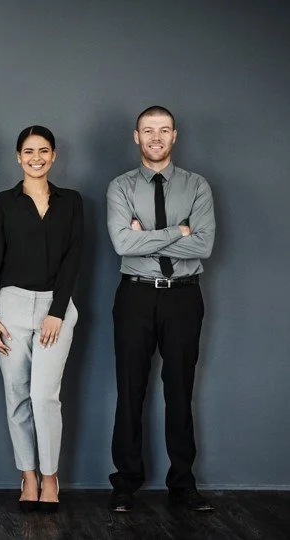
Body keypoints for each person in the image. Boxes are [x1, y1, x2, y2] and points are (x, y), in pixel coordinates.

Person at [107, 106, 216, 513]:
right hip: (135, 296)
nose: (156, 137)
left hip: (184, 296)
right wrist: (179, 231)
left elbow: (203, 245)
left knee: (180, 391)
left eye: (164, 130)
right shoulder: (120, 187)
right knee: (130, 390)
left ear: (175, 135)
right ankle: (125, 484)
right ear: (136, 136)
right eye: (148, 130)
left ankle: (183, 485)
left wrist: (147, 236)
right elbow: (122, 244)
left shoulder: (197, 186)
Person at [0, 126, 83, 513]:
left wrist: (57, 312)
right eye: (28, 151)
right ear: (18, 157)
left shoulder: (71, 202)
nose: (36, 157)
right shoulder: (3, 202)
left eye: (43, 151)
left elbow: (74, 258)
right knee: (17, 395)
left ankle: (49, 476)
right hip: (10, 305)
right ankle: (26, 476)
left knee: (44, 396)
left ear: (54, 155)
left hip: (56, 309)